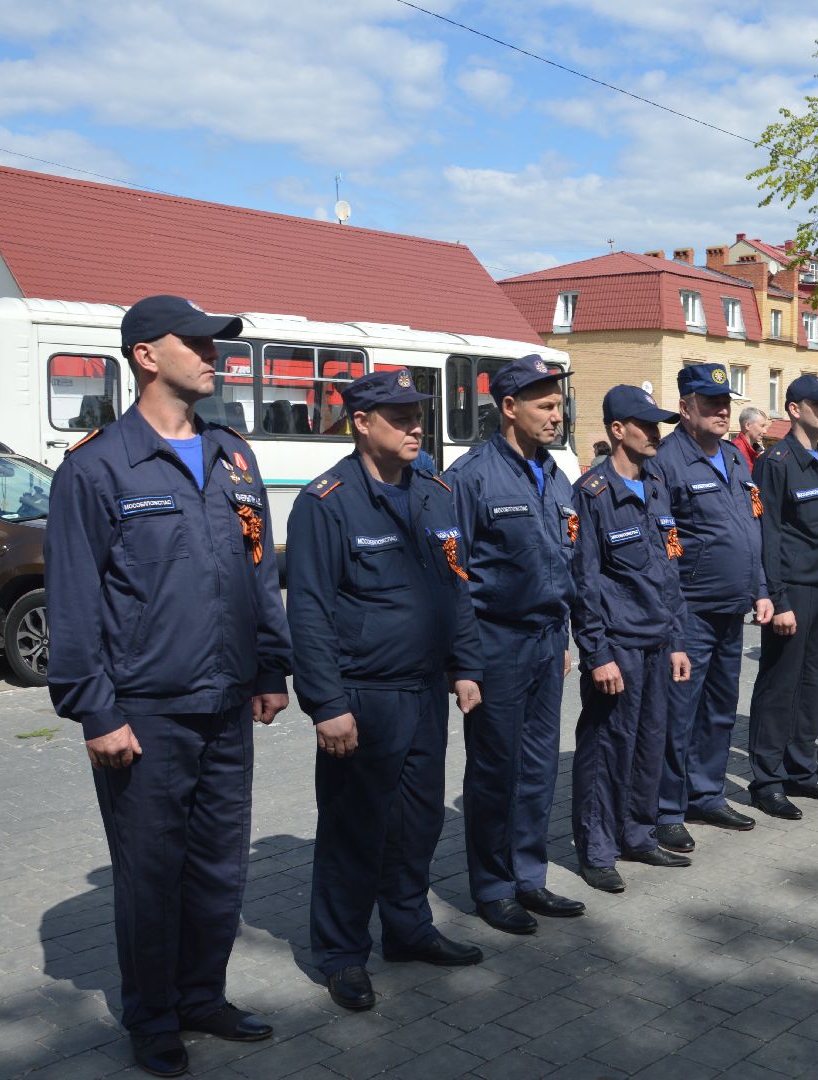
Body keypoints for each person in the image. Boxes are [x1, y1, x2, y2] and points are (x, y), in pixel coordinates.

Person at [46, 296, 292, 1078]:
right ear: (147, 355)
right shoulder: (97, 465)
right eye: (198, 342)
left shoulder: (233, 455)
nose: (213, 355)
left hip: (227, 700)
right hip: (145, 713)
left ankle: (200, 996)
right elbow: (76, 598)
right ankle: (152, 1017)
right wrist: (96, 711)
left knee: (220, 864)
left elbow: (258, 569)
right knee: (152, 872)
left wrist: (270, 665)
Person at [286, 369, 487, 1013]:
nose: (414, 426)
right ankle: (343, 953)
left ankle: (407, 928)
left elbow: (457, 584)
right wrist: (328, 704)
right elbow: (309, 610)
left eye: (417, 414)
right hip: (363, 696)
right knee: (354, 829)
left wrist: (466, 666)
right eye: (398, 416)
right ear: (362, 423)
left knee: (418, 821)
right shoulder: (326, 501)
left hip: (426, 691)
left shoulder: (434, 491)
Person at [443, 356, 583, 936]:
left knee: (537, 768)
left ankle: (529, 875)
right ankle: (493, 886)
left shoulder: (557, 474)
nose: (558, 415)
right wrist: (463, 663)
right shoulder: (470, 476)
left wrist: (566, 634)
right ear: (509, 408)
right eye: (545, 406)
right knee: (495, 770)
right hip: (495, 642)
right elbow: (453, 577)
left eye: (559, 405)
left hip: (548, 641)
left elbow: (564, 561)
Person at [571, 386, 692, 892]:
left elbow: (670, 570)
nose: (657, 434)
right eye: (647, 425)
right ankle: (598, 851)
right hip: (617, 645)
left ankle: (637, 835)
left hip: (659, 641)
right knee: (607, 750)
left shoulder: (657, 487)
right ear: (618, 430)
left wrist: (679, 638)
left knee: (649, 742)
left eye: (660, 425)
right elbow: (584, 579)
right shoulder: (592, 493)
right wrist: (596, 653)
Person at [653, 364, 772, 854]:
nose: (722, 410)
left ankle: (707, 792)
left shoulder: (734, 457)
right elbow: (664, 546)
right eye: (710, 403)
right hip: (692, 609)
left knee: (721, 710)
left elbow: (751, 528)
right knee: (679, 712)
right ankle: (665, 808)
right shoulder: (667, 460)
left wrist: (762, 589)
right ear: (685, 408)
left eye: (726, 402)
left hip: (733, 607)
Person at [746, 375, 818, 820]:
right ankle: (767, 781)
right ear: (793, 409)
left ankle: (800, 770)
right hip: (794, 592)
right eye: (817, 403)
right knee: (779, 687)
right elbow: (769, 534)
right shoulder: (776, 462)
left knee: (813, 685)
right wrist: (779, 597)